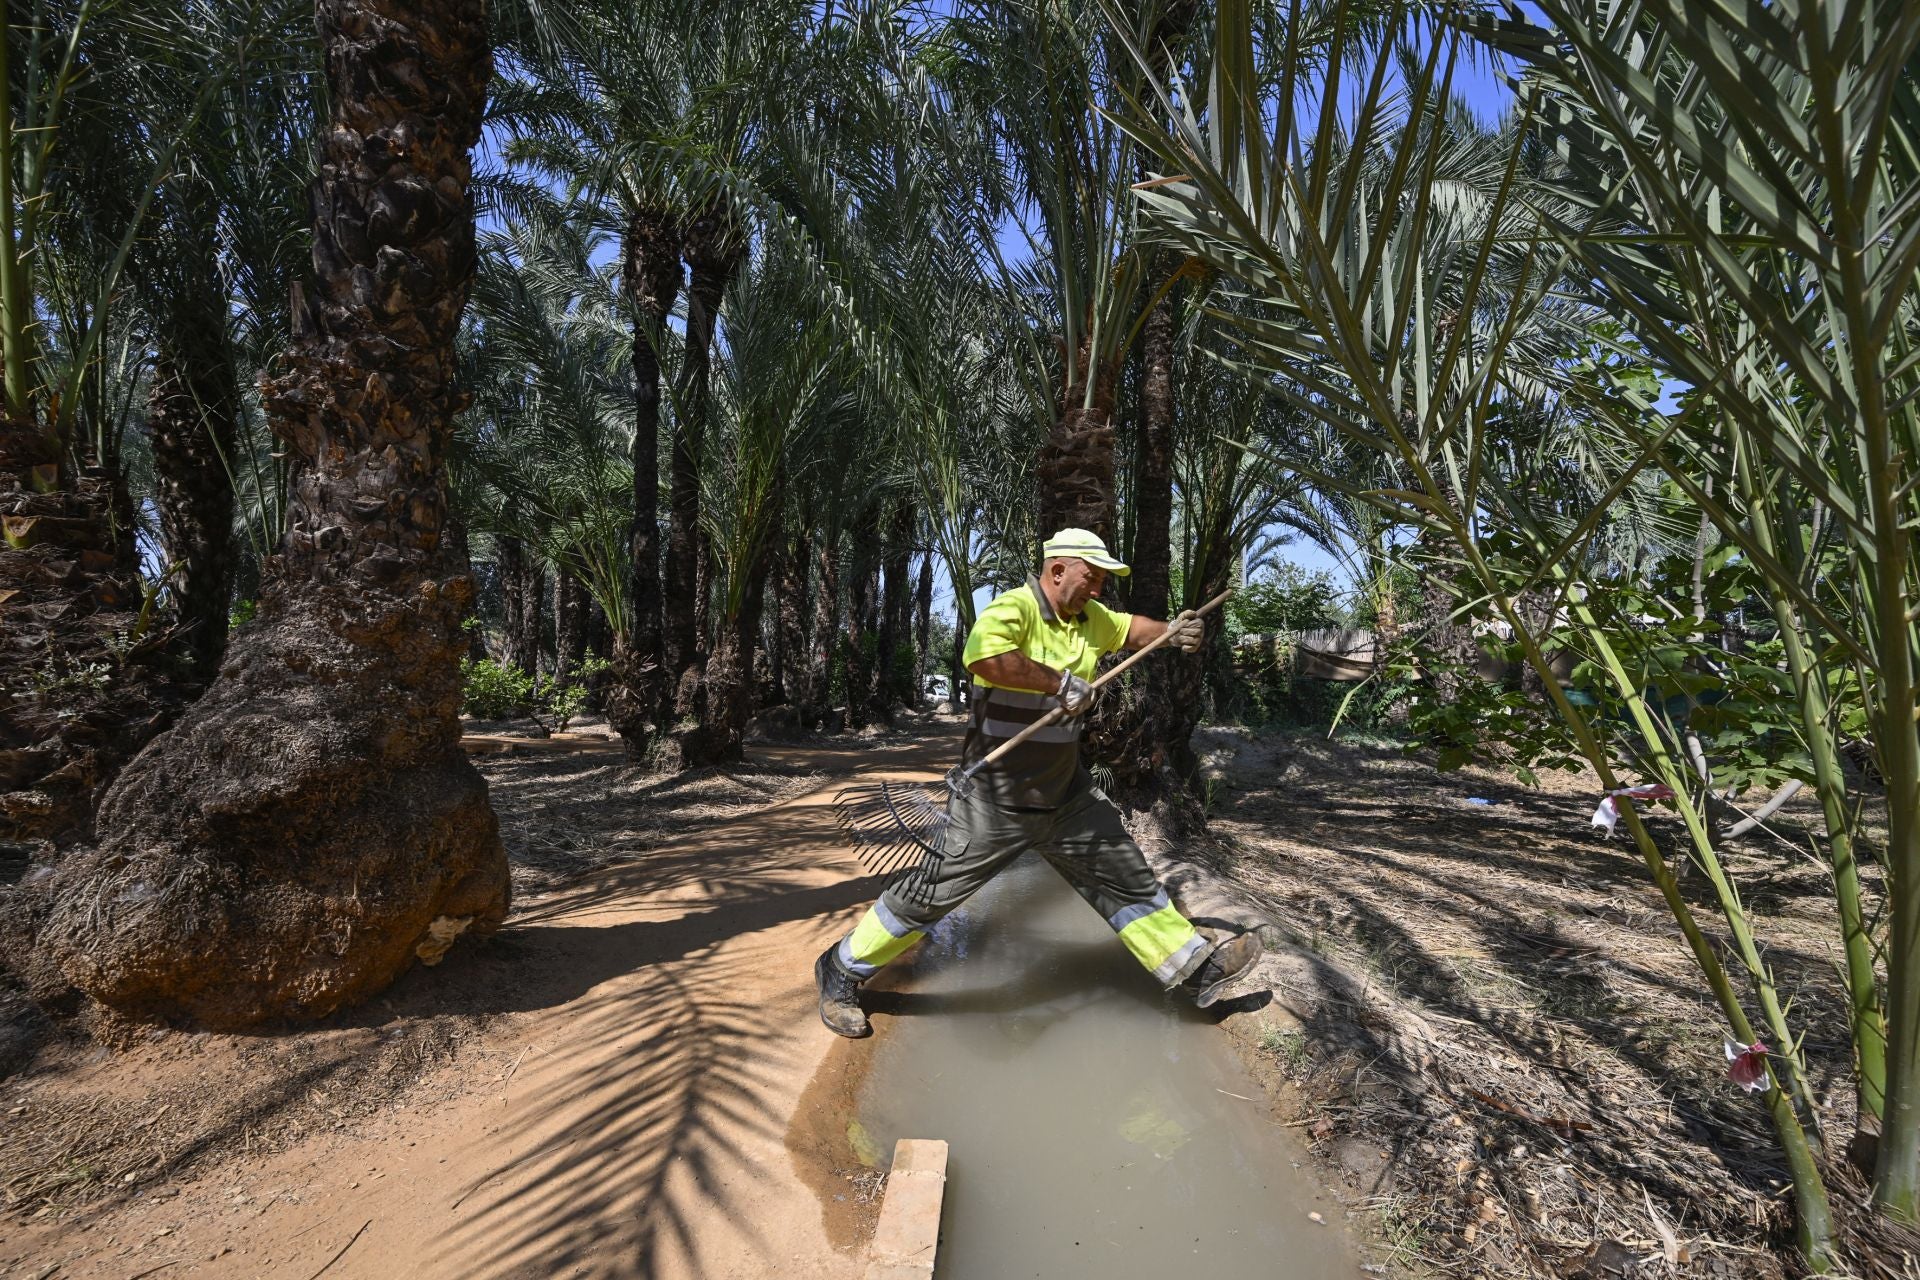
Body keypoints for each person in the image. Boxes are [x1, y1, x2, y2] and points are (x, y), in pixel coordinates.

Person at [815, 527, 1262, 1038]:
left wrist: (1170, 629)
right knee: (927, 897)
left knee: (1126, 880)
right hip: (996, 799)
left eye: (1100, 583)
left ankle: (1194, 971)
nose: (1097, 591)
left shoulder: (1090, 618)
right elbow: (983, 656)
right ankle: (840, 970)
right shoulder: (1015, 609)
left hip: (1065, 797)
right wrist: (1058, 682)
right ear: (1057, 571)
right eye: (1090, 579)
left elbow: (1132, 629)